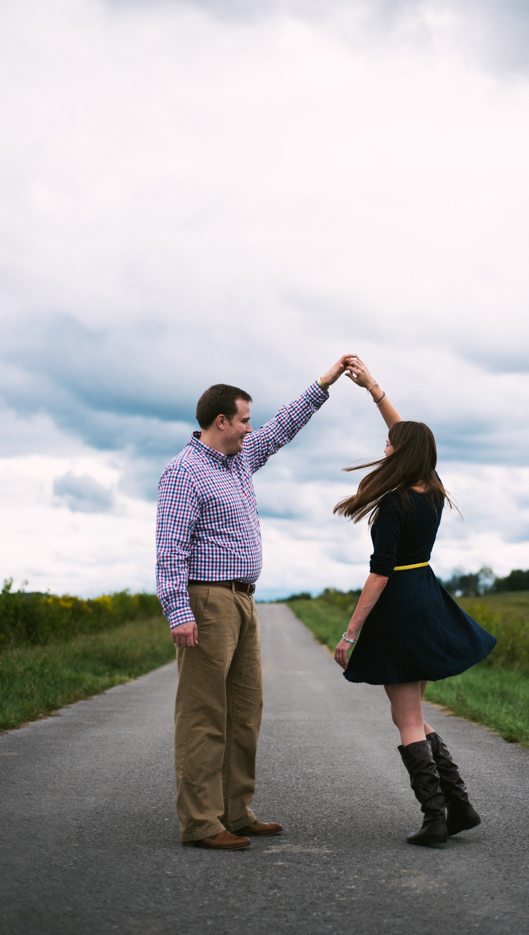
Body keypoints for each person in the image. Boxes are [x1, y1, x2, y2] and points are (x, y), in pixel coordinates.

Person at [156, 356, 352, 850]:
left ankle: (235, 812)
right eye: (244, 419)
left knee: (244, 710)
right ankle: (202, 823)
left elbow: (282, 428)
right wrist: (178, 612)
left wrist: (323, 384)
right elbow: (169, 548)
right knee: (204, 714)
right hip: (207, 600)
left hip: (244, 601)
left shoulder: (240, 458)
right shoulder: (184, 472)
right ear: (220, 421)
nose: (251, 428)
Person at [334, 356, 496, 848]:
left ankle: (435, 819)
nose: (384, 444)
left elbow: (380, 573)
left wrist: (350, 632)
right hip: (424, 598)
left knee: (406, 718)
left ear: (401, 453)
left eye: (390, 444)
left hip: (400, 605)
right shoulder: (433, 491)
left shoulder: (394, 503)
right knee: (410, 712)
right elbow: (409, 436)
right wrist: (374, 391)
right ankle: (460, 806)